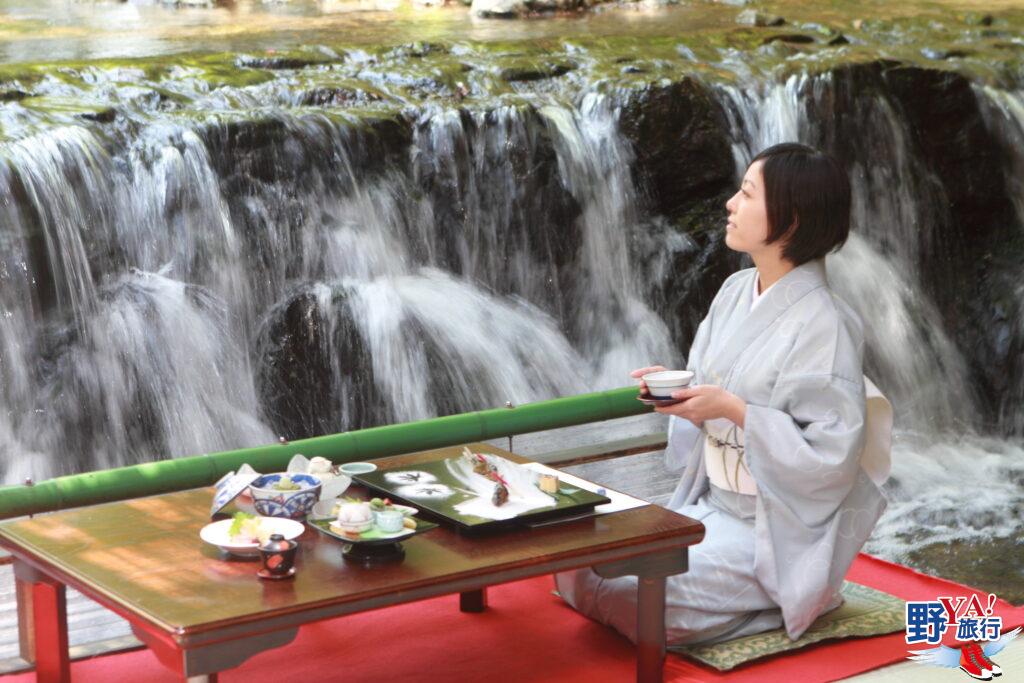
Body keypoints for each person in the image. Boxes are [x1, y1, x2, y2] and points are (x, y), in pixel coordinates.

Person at [555, 143, 890, 645]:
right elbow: (712, 384)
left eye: (747, 193)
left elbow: (830, 458)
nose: (731, 204)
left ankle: (787, 598)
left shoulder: (827, 323)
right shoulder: (735, 291)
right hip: (710, 505)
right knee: (581, 568)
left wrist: (733, 410)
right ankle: (755, 606)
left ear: (791, 218)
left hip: (771, 531)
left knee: (638, 599)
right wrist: (682, 395)